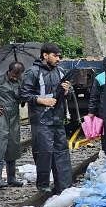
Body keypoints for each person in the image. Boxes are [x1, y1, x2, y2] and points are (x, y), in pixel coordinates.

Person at [20, 43, 72, 193]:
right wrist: (41, 100)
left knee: (61, 151)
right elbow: (23, 94)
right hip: (41, 120)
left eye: (59, 56)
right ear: (45, 55)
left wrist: (67, 90)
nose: (58, 59)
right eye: (55, 55)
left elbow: (69, 92)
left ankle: (64, 186)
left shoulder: (60, 71)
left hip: (57, 118)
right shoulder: (33, 72)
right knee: (44, 152)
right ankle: (43, 186)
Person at [0, 61, 25, 187]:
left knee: (13, 145)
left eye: (17, 75)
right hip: (0, 116)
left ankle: (11, 177)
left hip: (14, 116)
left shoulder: (20, 81)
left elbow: (21, 97)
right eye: (13, 74)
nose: (15, 77)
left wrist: (23, 98)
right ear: (9, 71)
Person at [87, 56, 106, 157]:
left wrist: (91, 112)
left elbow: (94, 97)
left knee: (104, 133)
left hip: (103, 109)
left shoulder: (99, 77)